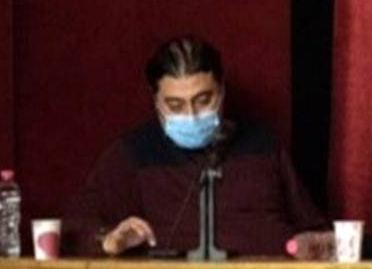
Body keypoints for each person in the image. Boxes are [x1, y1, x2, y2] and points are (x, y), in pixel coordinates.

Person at [65, 35, 327, 257]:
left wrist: (314, 247)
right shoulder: (132, 154)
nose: (191, 115)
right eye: (175, 105)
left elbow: (317, 233)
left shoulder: (264, 147)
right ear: (156, 101)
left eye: (203, 100)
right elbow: (72, 233)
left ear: (221, 91)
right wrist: (107, 240)